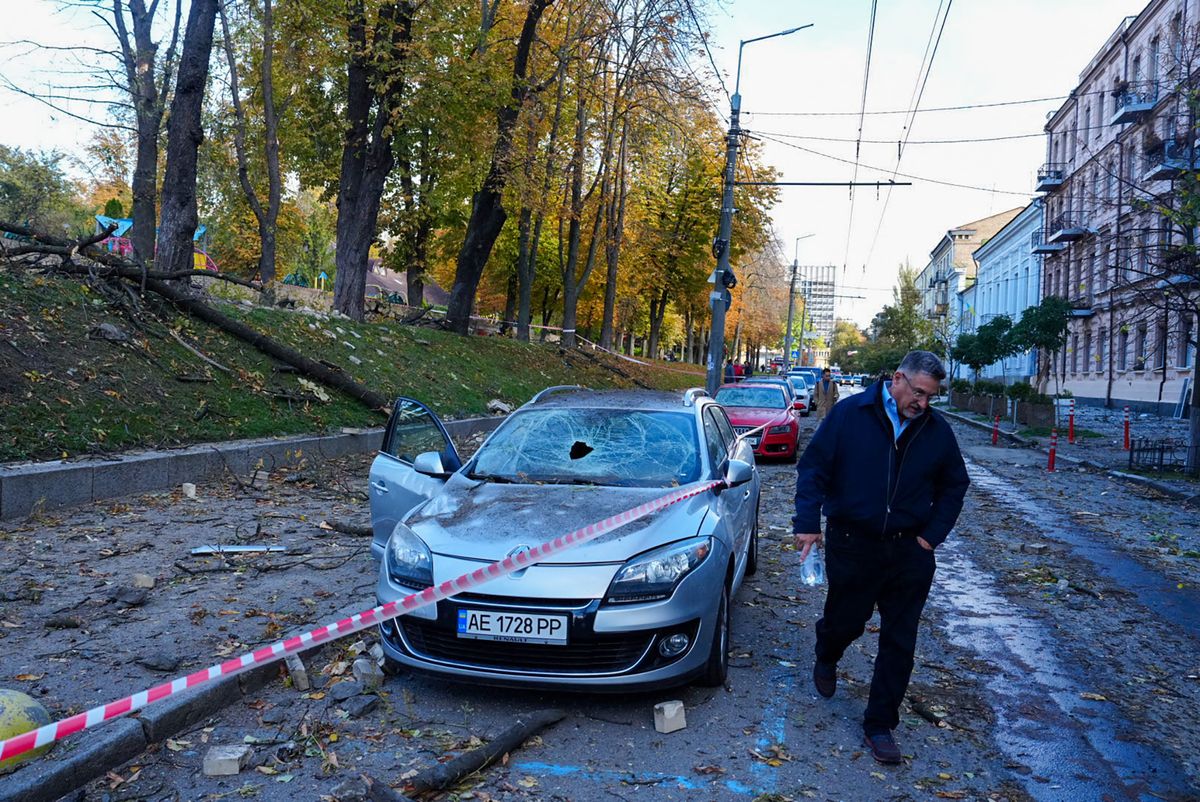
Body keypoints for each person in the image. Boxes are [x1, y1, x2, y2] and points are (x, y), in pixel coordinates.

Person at [792, 350, 969, 765]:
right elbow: (814, 468)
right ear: (898, 379)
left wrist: (931, 538)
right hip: (853, 542)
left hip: (910, 550)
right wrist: (808, 523)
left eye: (931, 397)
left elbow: (955, 485)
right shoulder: (850, 415)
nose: (922, 403)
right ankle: (827, 651)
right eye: (920, 393)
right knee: (847, 620)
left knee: (900, 639)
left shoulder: (936, 430)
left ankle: (880, 724)